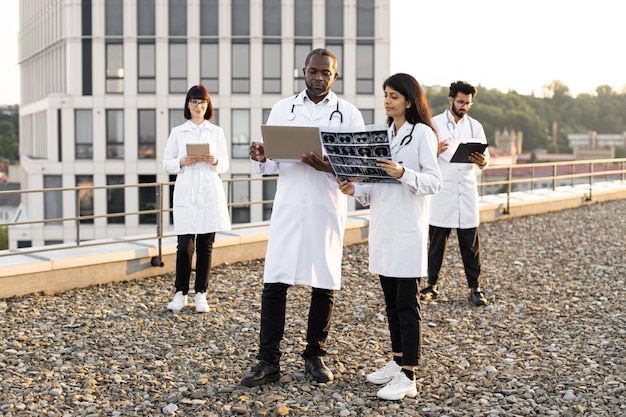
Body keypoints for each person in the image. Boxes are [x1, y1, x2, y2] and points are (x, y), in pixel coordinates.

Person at [240, 48, 365, 387]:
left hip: (325, 206)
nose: (318, 77)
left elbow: (358, 168)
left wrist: (327, 165)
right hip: (289, 205)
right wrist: (262, 155)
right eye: (313, 71)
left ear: (335, 76)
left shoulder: (349, 114)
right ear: (304, 71)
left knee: (323, 282)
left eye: (326, 72)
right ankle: (268, 360)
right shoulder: (283, 108)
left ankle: (314, 356)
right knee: (275, 281)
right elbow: (270, 165)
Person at [338, 73, 441, 400]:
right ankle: (397, 362)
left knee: (407, 305)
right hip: (383, 227)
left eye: (394, 95)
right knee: (391, 304)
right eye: (385, 94)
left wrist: (402, 173)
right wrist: (355, 189)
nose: (387, 100)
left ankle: (409, 376)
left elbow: (434, 182)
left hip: (408, 228)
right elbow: (373, 186)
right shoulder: (381, 134)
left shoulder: (423, 134)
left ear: (409, 100)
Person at [421, 81, 490, 306]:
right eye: (460, 102)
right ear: (451, 99)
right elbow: (422, 156)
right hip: (443, 191)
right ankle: (432, 285)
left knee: (470, 243)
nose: (464, 106)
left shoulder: (475, 126)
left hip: (467, 189)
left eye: (468, 103)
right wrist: (434, 150)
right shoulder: (434, 124)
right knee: (437, 241)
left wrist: (483, 160)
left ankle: (475, 287)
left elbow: (486, 157)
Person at [162, 85, 231, 313]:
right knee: (184, 246)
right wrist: (182, 161)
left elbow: (225, 164)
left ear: (208, 105)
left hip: (208, 192)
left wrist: (214, 160)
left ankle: (201, 293)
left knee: (205, 245)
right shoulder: (178, 132)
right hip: (186, 193)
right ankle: (180, 293)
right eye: (194, 102)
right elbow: (166, 163)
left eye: (202, 102)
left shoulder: (216, 132)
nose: (198, 106)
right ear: (187, 105)